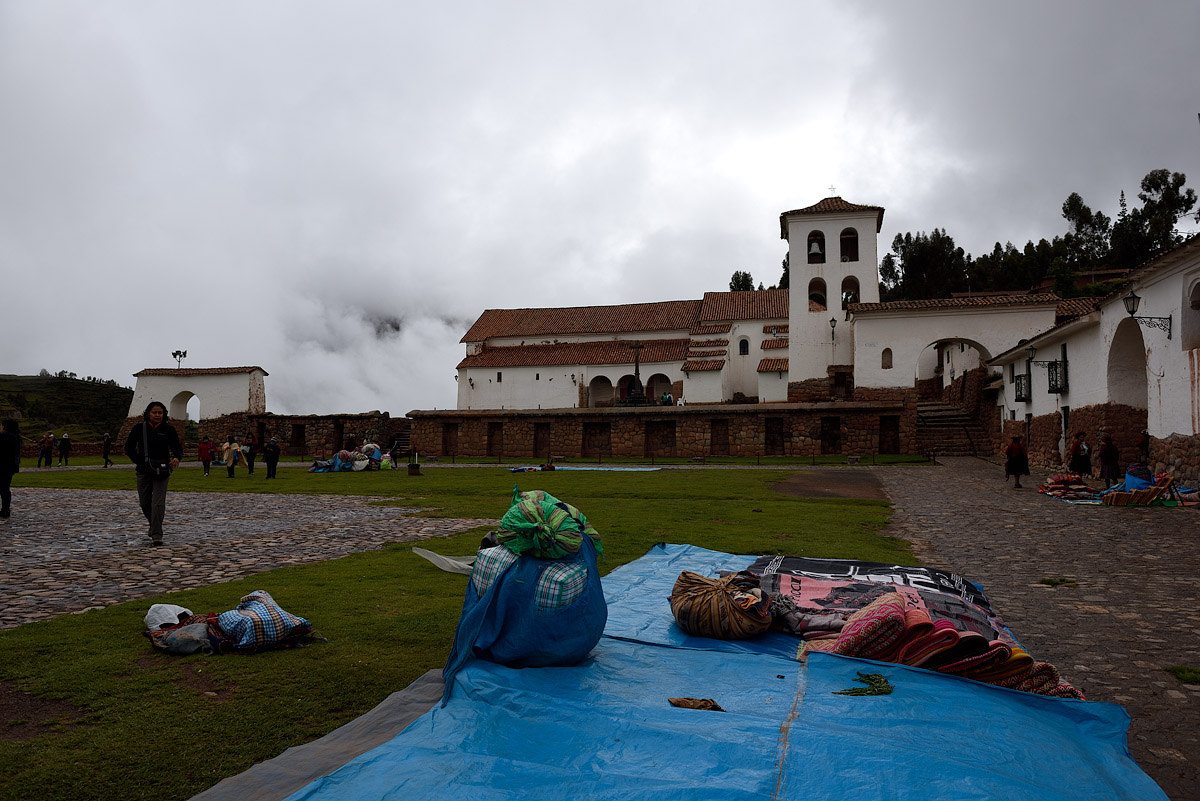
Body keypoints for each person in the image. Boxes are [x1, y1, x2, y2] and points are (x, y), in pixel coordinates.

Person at [123, 401, 182, 546]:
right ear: (148, 413)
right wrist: (139, 461)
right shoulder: (139, 428)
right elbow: (128, 447)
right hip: (143, 470)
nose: (157, 415)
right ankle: (154, 525)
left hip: (162, 470)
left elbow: (177, 447)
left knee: (158, 503)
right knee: (144, 503)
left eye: (160, 413)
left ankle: (157, 534)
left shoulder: (168, 429)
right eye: (154, 412)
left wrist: (176, 457)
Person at [0, 419, 19, 521]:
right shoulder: (14, 437)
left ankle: (5, 510)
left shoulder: (7, 437)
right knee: (4, 488)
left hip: (4, 466)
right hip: (9, 467)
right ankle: (5, 509)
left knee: (3, 488)